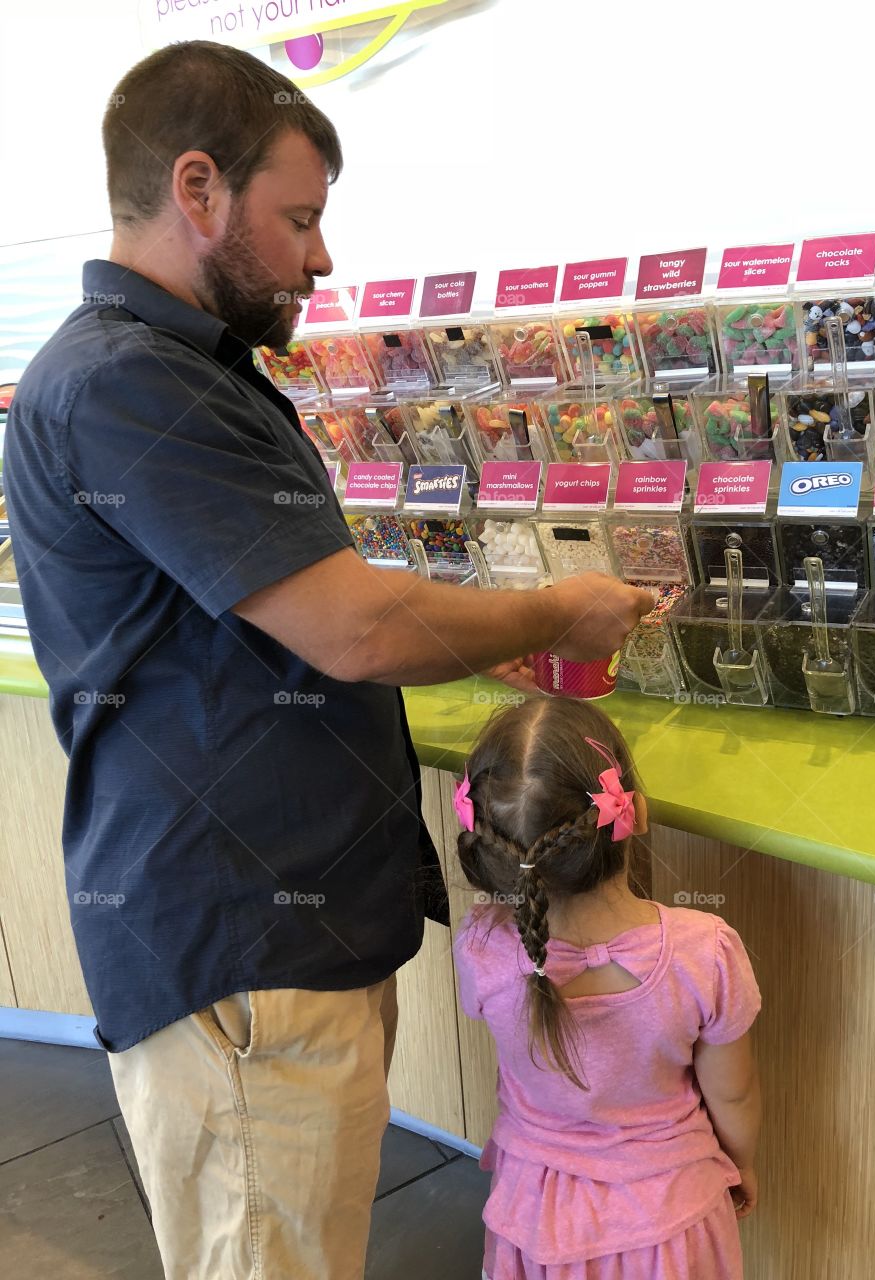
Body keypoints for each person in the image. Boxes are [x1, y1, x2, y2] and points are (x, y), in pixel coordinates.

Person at [2, 39, 653, 1280]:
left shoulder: (175, 373)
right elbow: (356, 626)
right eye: (298, 217)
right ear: (198, 190)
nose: (321, 255)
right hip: (240, 959)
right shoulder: (128, 385)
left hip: (271, 950)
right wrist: (558, 610)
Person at [453, 697, 761, 1280]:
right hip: (673, 1220)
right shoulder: (705, 950)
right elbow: (735, 1096)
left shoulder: (482, 946)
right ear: (634, 812)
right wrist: (741, 1164)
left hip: (537, 1219)